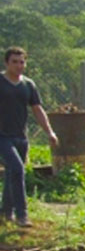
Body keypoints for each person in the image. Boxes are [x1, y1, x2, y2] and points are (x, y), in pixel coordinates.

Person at [0, 46, 59, 227]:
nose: (19, 65)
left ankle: (5, 212)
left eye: (22, 62)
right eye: (15, 62)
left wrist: (49, 131)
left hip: (21, 136)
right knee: (18, 169)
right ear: (6, 63)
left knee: (13, 173)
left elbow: (37, 109)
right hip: (2, 137)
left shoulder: (28, 85)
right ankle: (22, 215)